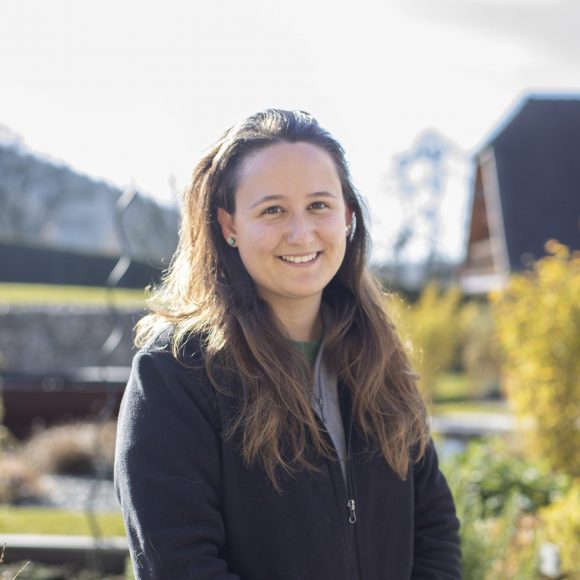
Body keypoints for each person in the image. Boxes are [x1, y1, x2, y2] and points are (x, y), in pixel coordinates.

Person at [114, 109, 462, 579]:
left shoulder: (378, 358)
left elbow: (434, 532)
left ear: (348, 217)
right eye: (272, 209)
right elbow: (181, 563)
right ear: (228, 225)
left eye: (319, 205)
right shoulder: (175, 374)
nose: (301, 233)